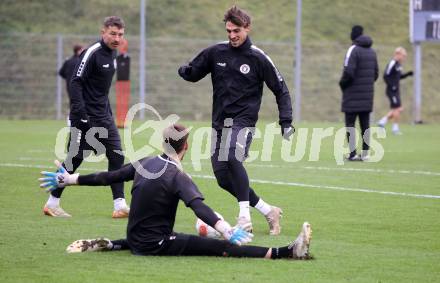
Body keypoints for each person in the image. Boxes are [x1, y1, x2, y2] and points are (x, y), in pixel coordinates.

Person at [39, 124, 312, 260]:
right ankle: (285, 253)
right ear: (186, 146)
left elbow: (108, 176)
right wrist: (227, 230)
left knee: (149, 236)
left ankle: (112, 244)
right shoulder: (177, 176)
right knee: (222, 248)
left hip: (136, 238)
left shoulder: (145, 161)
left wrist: (70, 179)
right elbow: (200, 208)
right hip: (155, 245)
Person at [178, 6, 294, 235]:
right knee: (222, 177)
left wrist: (286, 121)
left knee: (232, 155)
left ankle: (244, 217)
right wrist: (184, 71)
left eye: (237, 30)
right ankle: (269, 211)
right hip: (219, 123)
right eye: (229, 31)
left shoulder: (258, 58)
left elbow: (281, 89)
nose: (232, 35)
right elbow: (194, 72)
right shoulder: (216, 53)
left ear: (247, 28)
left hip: (244, 122)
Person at [42, 16, 129, 218]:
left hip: (103, 116)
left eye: (120, 34)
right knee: (75, 158)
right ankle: (52, 204)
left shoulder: (113, 53)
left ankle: (119, 206)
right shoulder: (92, 52)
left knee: (117, 155)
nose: (117, 38)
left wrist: (107, 113)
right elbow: (75, 82)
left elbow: (100, 90)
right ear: (103, 32)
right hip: (84, 116)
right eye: (113, 33)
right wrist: (80, 115)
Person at [339, 25, 379, 161]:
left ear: (353, 35)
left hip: (351, 95)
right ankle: (366, 154)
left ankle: (352, 154)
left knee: (350, 125)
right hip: (367, 96)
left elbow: (348, 72)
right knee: (365, 125)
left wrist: (342, 84)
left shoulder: (353, 49)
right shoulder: (372, 52)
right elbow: (375, 74)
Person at [377, 47, 413, 135]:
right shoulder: (392, 63)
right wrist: (391, 85)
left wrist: (408, 74)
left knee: (399, 109)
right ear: (397, 54)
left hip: (396, 90)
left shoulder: (398, 65)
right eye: (403, 56)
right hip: (391, 90)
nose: (404, 58)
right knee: (397, 109)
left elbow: (399, 76)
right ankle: (395, 129)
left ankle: (382, 121)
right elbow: (385, 75)